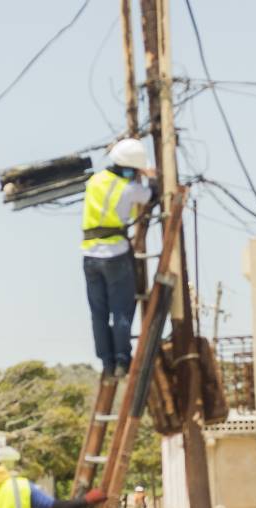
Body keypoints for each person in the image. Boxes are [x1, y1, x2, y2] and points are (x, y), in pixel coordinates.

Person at [81, 137, 158, 378]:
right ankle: (122, 360)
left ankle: (106, 362)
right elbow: (151, 196)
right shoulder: (129, 188)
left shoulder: (94, 181)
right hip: (115, 254)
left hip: (89, 254)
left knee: (98, 313)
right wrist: (151, 176)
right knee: (121, 311)